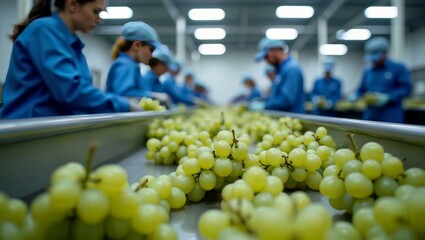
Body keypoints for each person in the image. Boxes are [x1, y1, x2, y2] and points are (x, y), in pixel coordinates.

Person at [1, 0, 140, 119]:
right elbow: (71, 91)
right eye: (96, 12)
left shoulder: (72, 44)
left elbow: (81, 92)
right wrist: (124, 105)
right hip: (27, 131)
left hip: (48, 131)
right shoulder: (45, 30)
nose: (99, 19)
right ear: (73, 4)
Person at [354, 37, 411, 123]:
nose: (373, 61)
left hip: (391, 116)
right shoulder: (367, 71)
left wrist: (388, 97)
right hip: (370, 116)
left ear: (385, 53)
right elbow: (361, 89)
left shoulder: (398, 68)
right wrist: (355, 95)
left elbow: (406, 89)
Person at [105, 21, 161, 101]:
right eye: (151, 50)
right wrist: (154, 95)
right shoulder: (125, 64)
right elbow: (124, 94)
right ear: (137, 45)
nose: (152, 56)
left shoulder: (131, 65)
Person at [251, 37, 304, 113]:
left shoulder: (291, 69)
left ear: (276, 50)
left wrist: (265, 105)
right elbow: (276, 96)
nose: (267, 61)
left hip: (291, 119)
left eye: (266, 56)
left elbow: (287, 100)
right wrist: (265, 101)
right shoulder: (280, 70)